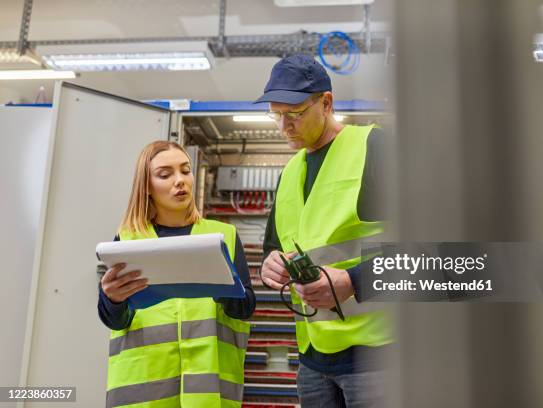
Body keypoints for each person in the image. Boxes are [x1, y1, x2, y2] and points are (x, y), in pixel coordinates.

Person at [255, 54, 393, 407]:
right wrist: (270, 265)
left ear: (326, 103)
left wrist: (353, 282)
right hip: (313, 361)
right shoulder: (289, 174)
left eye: (295, 114)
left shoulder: (376, 148)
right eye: (277, 114)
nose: (284, 126)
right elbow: (274, 248)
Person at [97, 140, 255, 408]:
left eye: (185, 170)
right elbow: (117, 321)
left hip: (206, 392)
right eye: (165, 174)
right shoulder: (127, 241)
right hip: (144, 390)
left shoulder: (222, 237)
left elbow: (245, 308)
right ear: (146, 186)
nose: (180, 180)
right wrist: (111, 299)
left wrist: (220, 285)